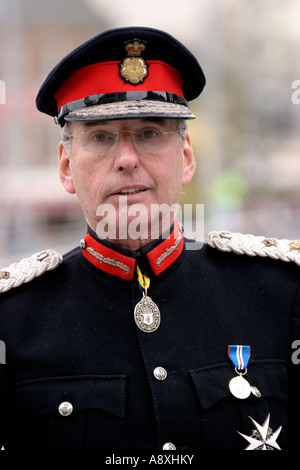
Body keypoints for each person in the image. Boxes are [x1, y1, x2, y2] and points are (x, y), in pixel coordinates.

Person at [0, 26, 299, 452]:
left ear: (187, 157)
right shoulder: (12, 321)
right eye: (101, 138)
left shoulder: (279, 295)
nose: (126, 159)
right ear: (66, 166)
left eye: (150, 133)